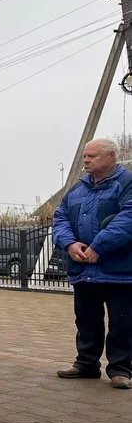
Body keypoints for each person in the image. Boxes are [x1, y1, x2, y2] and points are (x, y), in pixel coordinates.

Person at [53, 138, 132, 389]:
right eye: (85, 156)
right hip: (84, 268)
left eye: (92, 156)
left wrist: (99, 246)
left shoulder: (127, 183)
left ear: (110, 158)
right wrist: (69, 244)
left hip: (120, 269)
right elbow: (60, 217)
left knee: (122, 321)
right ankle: (86, 363)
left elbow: (128, 218)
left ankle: (121, 369)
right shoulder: (77, 189)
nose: (85, 160)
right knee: (86, 318)